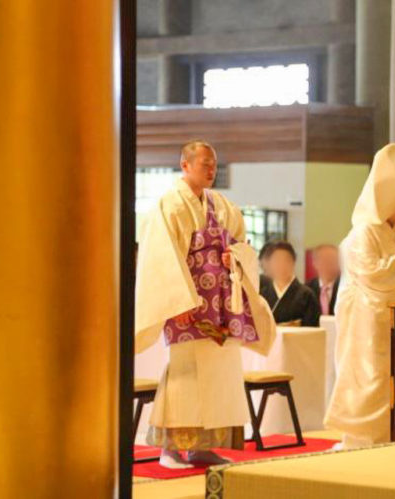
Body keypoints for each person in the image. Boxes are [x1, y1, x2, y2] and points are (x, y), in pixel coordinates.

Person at [134, 140, 276, 469]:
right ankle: (170, 449)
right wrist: (177, 299)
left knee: (221, 373)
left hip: (222, 303)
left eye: (214, 165)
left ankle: (203, 447)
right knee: (185, 374)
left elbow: (242, 244)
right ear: (185, 165)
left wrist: (234, 257)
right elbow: (161, 255)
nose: (211, 170)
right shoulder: (170, 205)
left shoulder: (223, 205)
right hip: (189, 301)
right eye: (204, 164)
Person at [324, 143, 395, 449]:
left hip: (394, 315)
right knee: (373, 378)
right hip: (367, 321)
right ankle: (367, 439)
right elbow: (372, 275)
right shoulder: (362, 233)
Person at [260, 241, 321, 327]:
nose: (281, 265)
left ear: (293, 262)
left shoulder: (306, 295)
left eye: (286, 260)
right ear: (269, 263)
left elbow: (312, 329)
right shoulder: (262, 295)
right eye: (277, 260)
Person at [307, 244, 341, 316]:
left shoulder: (347, 288)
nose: (328, 263)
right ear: (314, 262)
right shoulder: (307, 290)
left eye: (333, 259)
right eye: (323, 259)